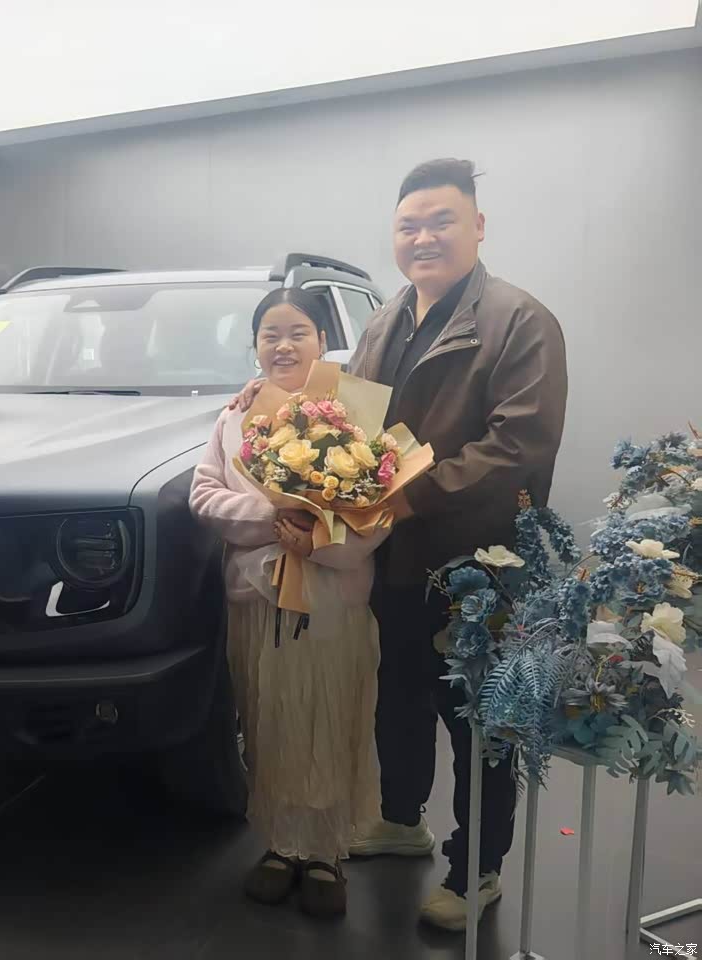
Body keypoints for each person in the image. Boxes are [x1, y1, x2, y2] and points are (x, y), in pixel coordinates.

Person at [233, 158, 568, 931]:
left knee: (477, 720)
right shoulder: (388, 319)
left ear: (477, 226)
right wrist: (274, 394)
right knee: (400, 696)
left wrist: (408, 495)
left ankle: (477, 869)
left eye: (441, 221)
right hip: (392, 551)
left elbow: (518, 447)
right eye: (409, 225)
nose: (424, 237)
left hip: (476, 563)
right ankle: (401, 817)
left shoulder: (520, 321)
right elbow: (348, 412)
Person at [190, 288, 385, 919]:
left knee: (328, 719)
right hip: (257, 599)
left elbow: (379, 511)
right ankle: (281, 845)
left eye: (297, 331)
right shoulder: (234, 418)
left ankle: (325, 853)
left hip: (331, 600)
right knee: (267, 722)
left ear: (323, 341)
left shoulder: (355, 411)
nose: (283, 345)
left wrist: (319, 541)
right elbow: (204, 496)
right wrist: (276, 514)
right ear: (255, 346)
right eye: (269, 334)